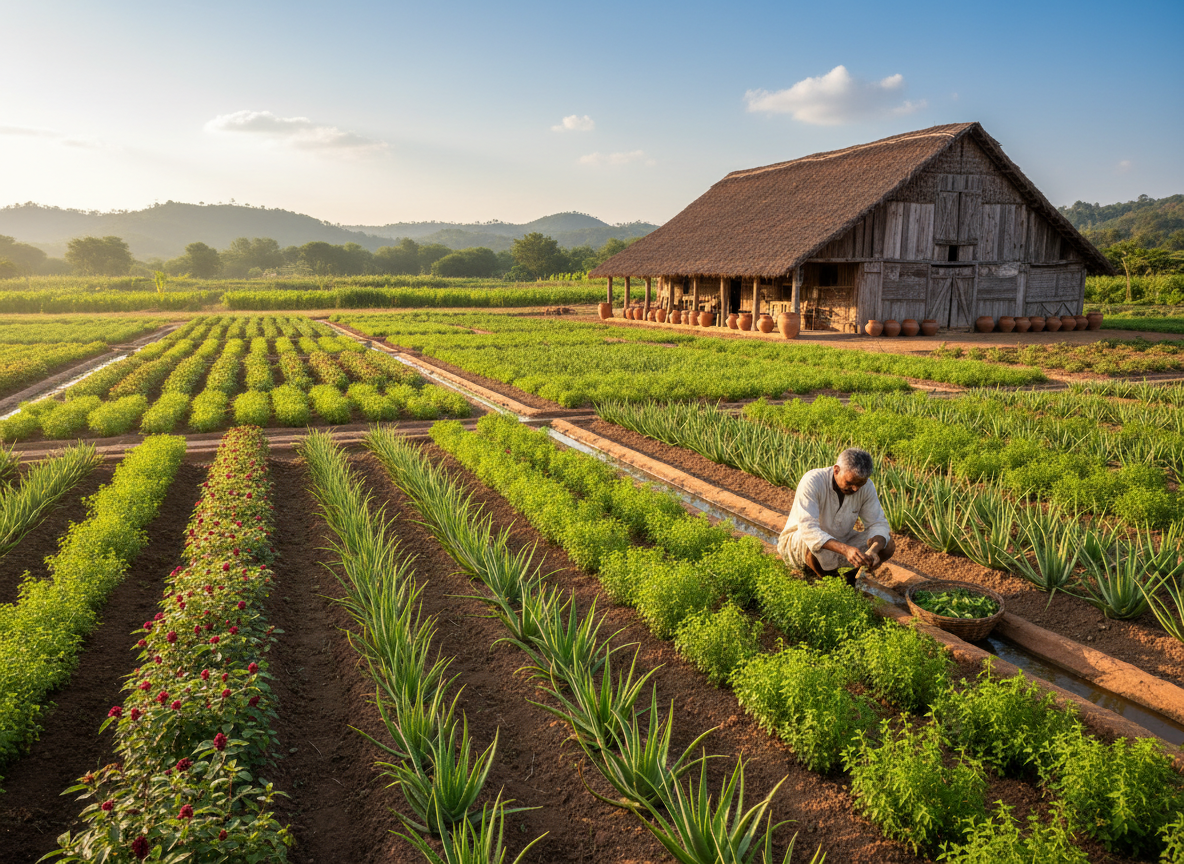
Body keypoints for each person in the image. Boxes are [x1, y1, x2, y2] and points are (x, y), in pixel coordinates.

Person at [777, 447, 895, 585]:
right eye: (850, 483)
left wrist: (873, 550)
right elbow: (808, 529)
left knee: (887, 544)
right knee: (811, 543)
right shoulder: (813, 481)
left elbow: (877, 524)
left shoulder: (866, 487)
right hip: (798, 543)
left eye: (860, 484)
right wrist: (845, 550)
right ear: (836, 470)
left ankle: (848, 579)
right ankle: (829, 582)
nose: (855, 489)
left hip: (840, 539)